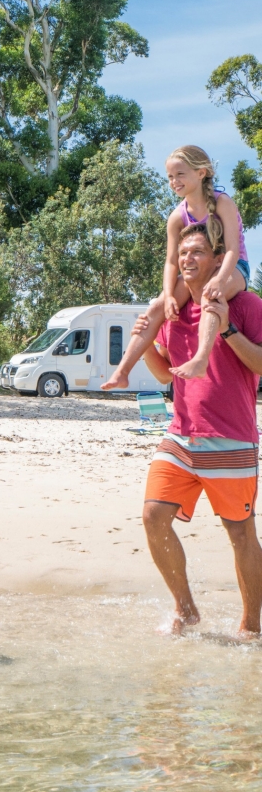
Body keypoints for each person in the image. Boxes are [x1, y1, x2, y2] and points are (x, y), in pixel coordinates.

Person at [137, 224, 262, 635]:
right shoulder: (173, 312)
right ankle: (186, 610)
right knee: (154, 515)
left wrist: (227, 328)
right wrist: (142, 342)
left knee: (240, 534)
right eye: (182, 253)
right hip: (180, 436)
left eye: (197, 253)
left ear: (218, 261)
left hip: (232, 440)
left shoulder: (245, 304)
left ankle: (251, 627)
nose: (187, 259)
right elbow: (164, 374)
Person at [102, 145, 249, 389]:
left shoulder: (223, 203)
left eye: (180, 174)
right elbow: (171, 261)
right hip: (196, 270)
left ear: (201, 173)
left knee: (211, 295)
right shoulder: (177, 216)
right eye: (170, 177)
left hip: (233, 267)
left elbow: (232, 249)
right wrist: (170, 295)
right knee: (158, 305)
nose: (174, 181)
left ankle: (200, 360)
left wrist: (220, 279)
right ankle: (122, 370)